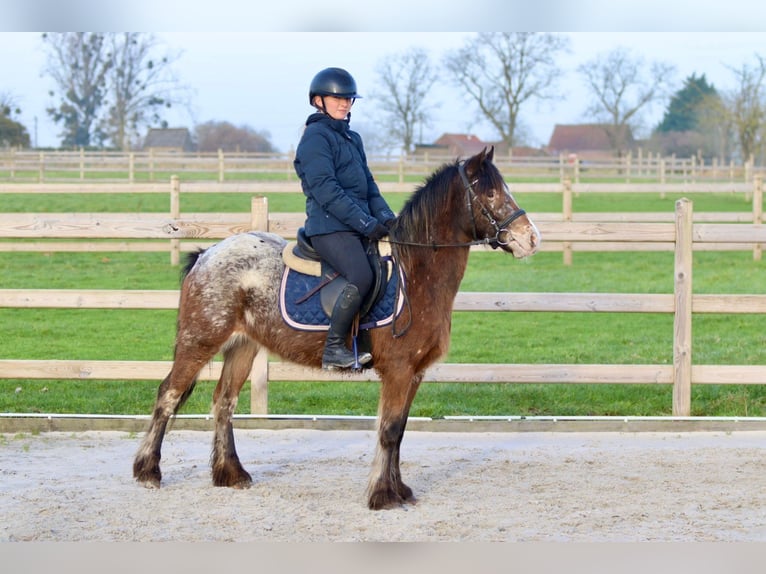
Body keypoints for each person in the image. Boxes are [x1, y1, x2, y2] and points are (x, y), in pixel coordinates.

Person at [293, 67, 396, 370]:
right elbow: (327, 191)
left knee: (383, 268)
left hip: (353, 225)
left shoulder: (353, 139)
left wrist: (389, 218)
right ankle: (334, 348)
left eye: (349, 99)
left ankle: (365, 336)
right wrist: (365, 223)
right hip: (328, 228)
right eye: (337, 98)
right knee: (361, 275)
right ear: (318, 101)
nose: (344, 104)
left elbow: (368, 186)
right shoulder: (315, 139)